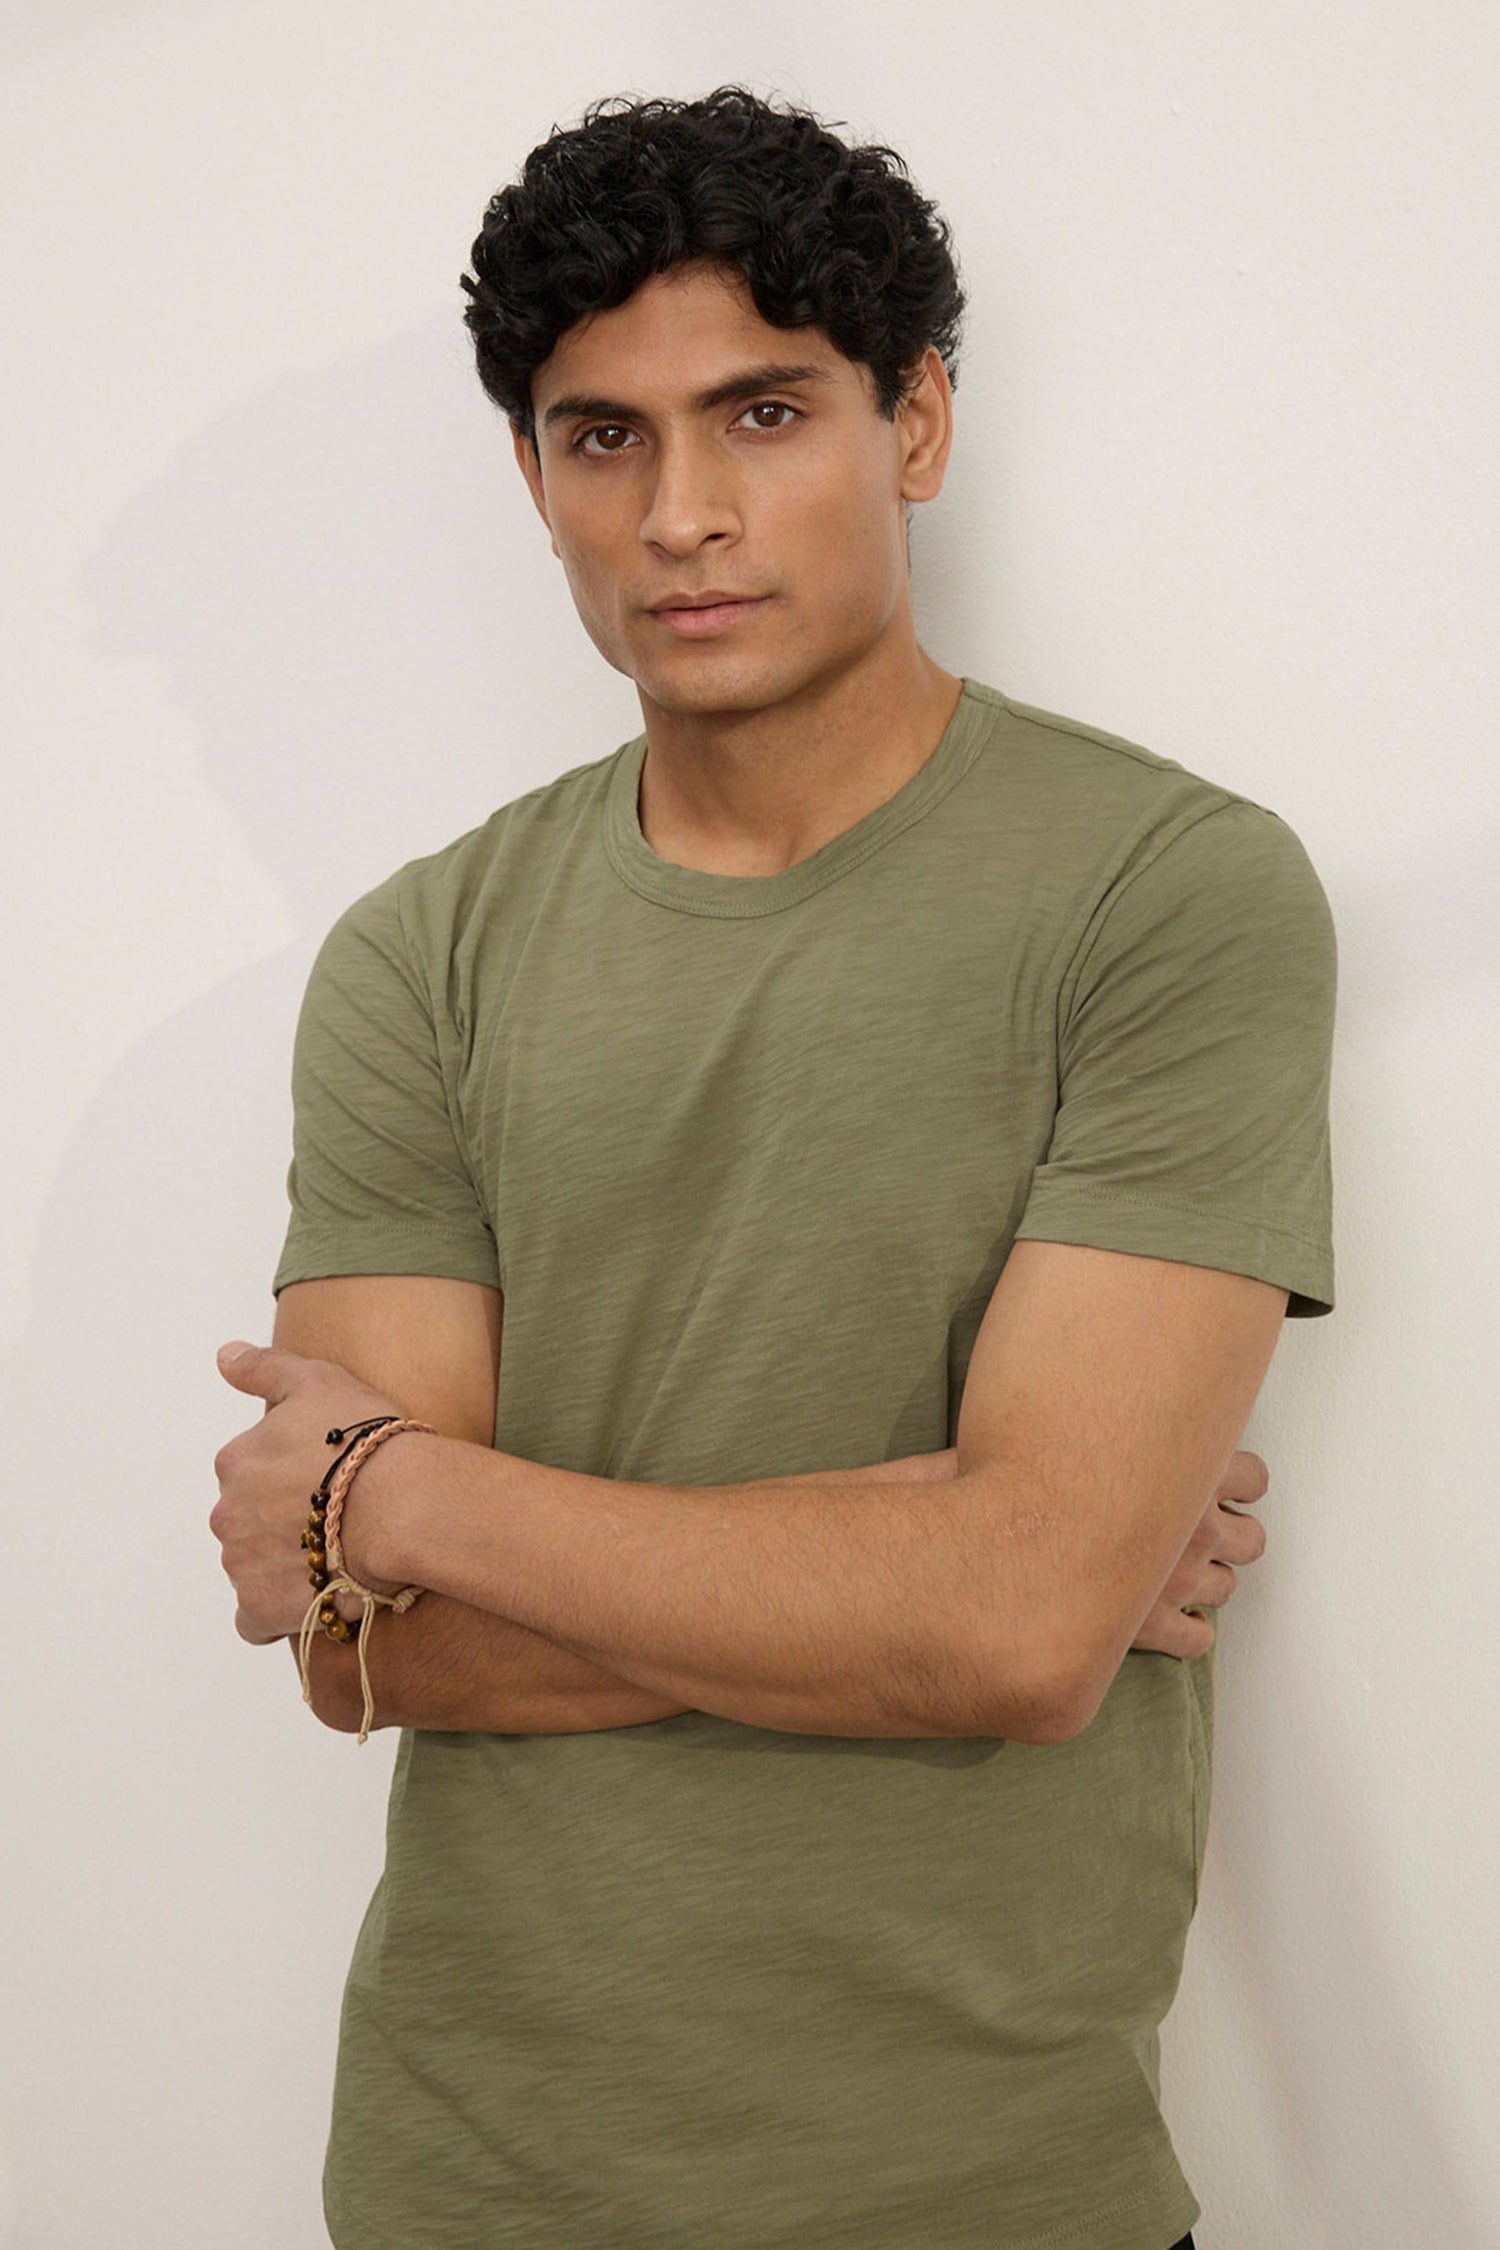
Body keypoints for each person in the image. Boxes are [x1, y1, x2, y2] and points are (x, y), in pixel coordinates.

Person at [209, 86, 1336, 2250]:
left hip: (989, 2191)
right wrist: (954, 1557)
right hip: (471, 2180)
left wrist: (403, 1497)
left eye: (765, 411)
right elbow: (368, 1660)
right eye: (601, 436)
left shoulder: (1167, 894)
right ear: (533, 478)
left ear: (914, 421)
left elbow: (1010, 1633)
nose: (683, 514)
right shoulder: (422, 957)